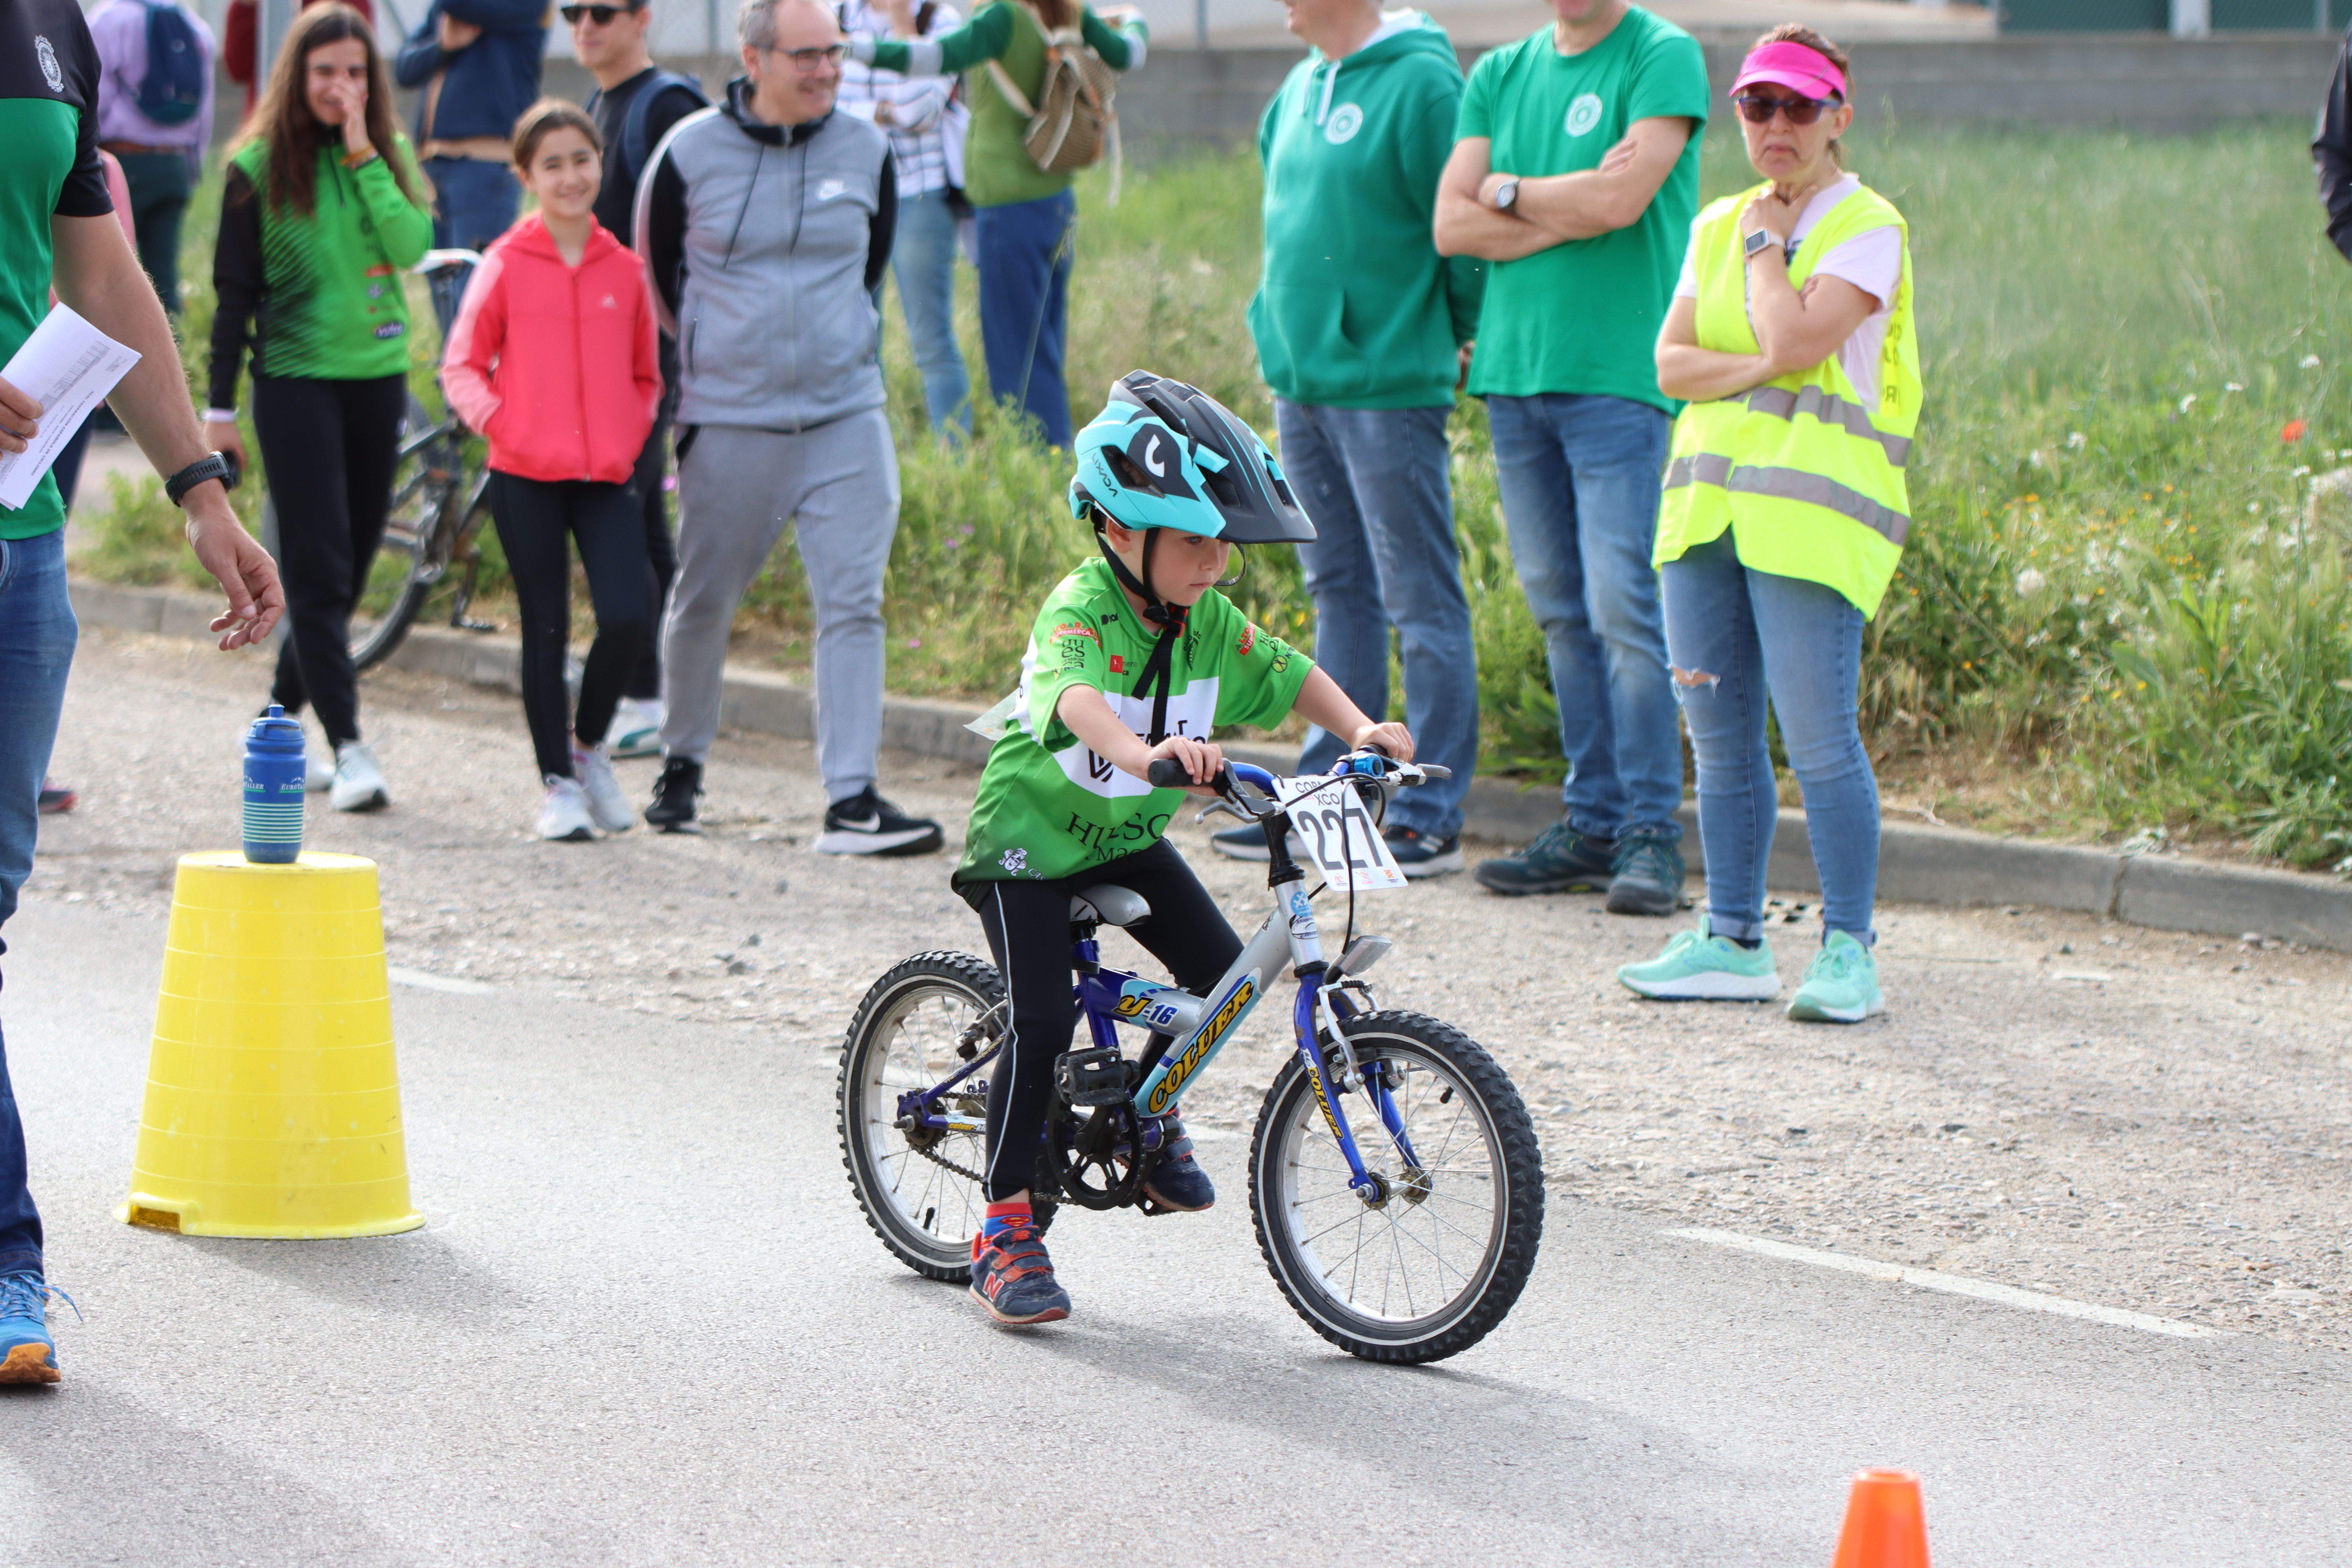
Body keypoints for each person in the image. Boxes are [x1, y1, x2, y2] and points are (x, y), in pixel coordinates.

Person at [952, 372, 1414, 1326]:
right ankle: (1002, 1230)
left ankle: (1144, 1112)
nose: (1216, 564)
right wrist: (1142, 753)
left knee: (1219, 977)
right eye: (1196, 543)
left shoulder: (1206, 622)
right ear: (1121, 532)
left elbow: (1288, 673)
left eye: (1223, 546)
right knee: (1040, 1021)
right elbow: (1076, 700)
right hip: (1028, 844)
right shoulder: (1080, 609)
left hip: (1123, 838)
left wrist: (1365, 731)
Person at [1, 0, 284, 1385]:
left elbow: (102, 279)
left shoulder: (49, 24)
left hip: (20, 541)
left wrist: (201, 495)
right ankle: (7, 1258)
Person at [1617, 28, 1917, 1024]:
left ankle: (1847, 949)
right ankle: (1734, 938)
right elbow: (1668, 365)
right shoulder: (1711, 222)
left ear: (1840, 113)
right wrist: (1757, 364)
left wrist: (1760, 254)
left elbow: (1794, 335)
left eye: (1798, 106)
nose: (1776, 125)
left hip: (1813, 521)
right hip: (1706, 513)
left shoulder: (1867, 224)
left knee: (1820, 739)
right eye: (1756, 106)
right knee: (1721, 737)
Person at [634, 0, 943, 854]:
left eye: (834, 55)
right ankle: (681, 766)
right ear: (753, 56)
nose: (826, 71)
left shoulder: (867, 148)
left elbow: (868, 270)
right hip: (730, 420)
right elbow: (658, 281)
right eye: (806, 56)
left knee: (854, 603)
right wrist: (719, 368)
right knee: (703, 601)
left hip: (847, 415)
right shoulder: (688, 154)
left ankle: (852, 799)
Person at [1432, 0, 1706, 916]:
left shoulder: (1660, 55)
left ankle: (1649, 833)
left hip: (1618, 373)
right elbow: (1449, 224)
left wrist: (1509, 190)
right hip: (1516, 372)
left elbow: (1623, 201)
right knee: (1559, 609)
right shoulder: (1500, 73)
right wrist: (1565, 204)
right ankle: (1591, 821)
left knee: (1623, 608)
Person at [1220, 0, 1481, 877]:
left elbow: (1461, 229)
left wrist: (1460, 334)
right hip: (1302, 380)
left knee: (1419, 596)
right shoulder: (1297, 88)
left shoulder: (1422, 82)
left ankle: (1429, 810)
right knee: (1338, 587)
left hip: (1389, 380)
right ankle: (1328, 802)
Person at [206, 2, 434, 813]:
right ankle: (349, 745)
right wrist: (218, 410)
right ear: (296, 79)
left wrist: (367, 152)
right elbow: (234, 301)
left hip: (376, 378)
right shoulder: (257, 167)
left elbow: (410, 246)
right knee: (320, 565)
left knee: (347, 565)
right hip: (294, 381)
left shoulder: (387, 152)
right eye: (325, 73)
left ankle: (274, 721)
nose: (341, 87)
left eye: (355, 73)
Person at [443, 101, 661, 841]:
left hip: (604, 474)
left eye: (582, 159)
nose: (571, 176)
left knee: (630, 614)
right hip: (525, 473)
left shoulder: (625, 270)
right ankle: (558, 786)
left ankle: (588, 745)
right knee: (546, 627)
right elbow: (462, 366)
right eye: (553, 164)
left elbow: (646, 377)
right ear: (526, 176)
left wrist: (628, 436)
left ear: (600, 162)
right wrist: (506, 424)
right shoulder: (507, 262)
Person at [851, 0, 1146, 449]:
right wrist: (1135, 16)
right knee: (1044, 347)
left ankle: (1045, 471)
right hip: (1057, 205)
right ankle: (1058, 462)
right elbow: (1130, 53)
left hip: (1009, 213)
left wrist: (849, 48)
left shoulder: (1000, 17)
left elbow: (931, 58)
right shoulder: (1069, 10)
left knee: (1018, 364)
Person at [571, 0, 709, 758]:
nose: (584, 25)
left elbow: (698, 233)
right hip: (612, 349)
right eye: (571, 12)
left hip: (658, 351)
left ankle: (654, 694)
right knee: (640, 516)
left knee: (638, 515)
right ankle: (650, 690)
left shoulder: (667, 105)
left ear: (642, 17)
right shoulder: (600, 102)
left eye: (601, 11)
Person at [837, 0, 973, 438]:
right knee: (858, 341)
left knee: (932, 341)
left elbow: (920, 112)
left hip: (919, 194)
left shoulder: (941, 21)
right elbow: (823, 109)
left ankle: (957, 463)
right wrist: (880, 111)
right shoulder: (836, 17)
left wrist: (901, 25)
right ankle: (865, 454)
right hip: (852, 198)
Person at [394, 0, 549, 331]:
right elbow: (405, 69)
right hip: (433, 169)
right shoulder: (448, 11)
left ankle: (480, 381)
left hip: (483, 170)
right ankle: (453, 381)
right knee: (443, 296)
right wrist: (443, 47)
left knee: (475, 303)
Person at [87, 0, 213, 319]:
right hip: (175, 164)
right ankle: (177, 362)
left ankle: (116, 365)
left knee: (109, 280)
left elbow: (93, 99)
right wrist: (193, 166)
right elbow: (204, 110)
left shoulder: (108, 20)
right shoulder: (196, 28)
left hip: (122, 161)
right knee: (164, 280)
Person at [224, 0, 373, 114]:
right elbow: (238, 69)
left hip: (336, 128)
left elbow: (357, 61)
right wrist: (247, 6)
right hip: (272, 123)